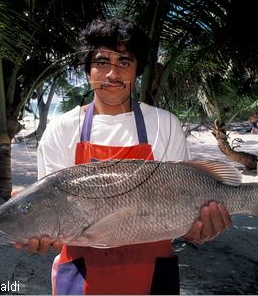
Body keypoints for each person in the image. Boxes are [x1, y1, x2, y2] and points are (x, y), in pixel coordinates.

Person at [12, 16, 231, 295]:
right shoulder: (62, 129)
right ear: (88, 70)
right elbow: (51, 211)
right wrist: (37, 230)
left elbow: (183, 207)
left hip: (153, 272)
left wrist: (200, 227)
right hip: (80, 272)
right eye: (102, 63)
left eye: (124, 63)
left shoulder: (165, 124)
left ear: (136, 70)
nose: (112, 74)